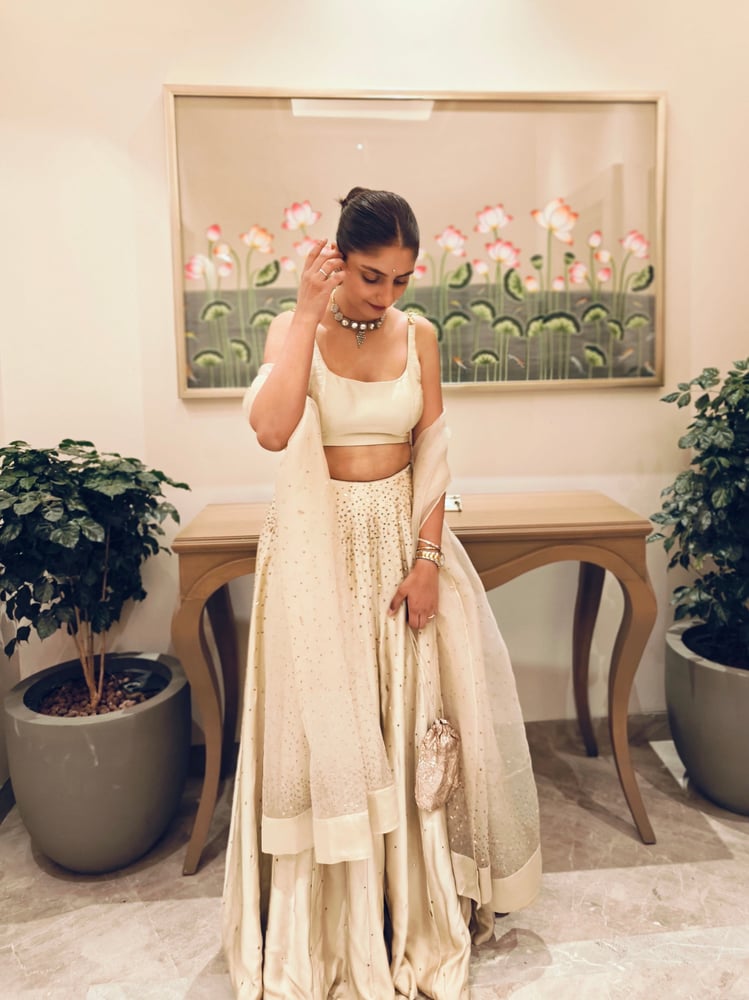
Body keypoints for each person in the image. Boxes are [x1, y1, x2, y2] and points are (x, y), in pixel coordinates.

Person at [222, 187, 541, 999]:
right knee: (331, 722)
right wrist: (304, 312)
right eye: (371, 276)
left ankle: (409, 906)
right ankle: (336, 924)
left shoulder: (418, 336)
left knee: (408, 723)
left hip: (401, 544)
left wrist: (427, 559)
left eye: (401, 279)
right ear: (338, 260)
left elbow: (432, 451)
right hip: (316, 548)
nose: (386, 295)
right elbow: (271, 429)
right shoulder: (294, 328)